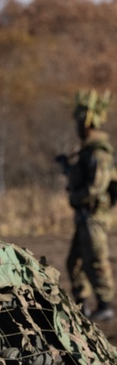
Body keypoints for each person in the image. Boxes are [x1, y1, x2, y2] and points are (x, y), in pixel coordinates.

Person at [60, 89, 115, 322]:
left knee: (96, 260)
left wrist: (76, 198)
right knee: (75, 262)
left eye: (81, 122)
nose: (78, 127)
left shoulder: (99, 152)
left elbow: (96, 186)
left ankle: (105, 304)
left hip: (94, 216)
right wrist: (67, 167)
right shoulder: (86, 151)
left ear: (88, 124)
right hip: (84, 216)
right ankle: (82, 304)